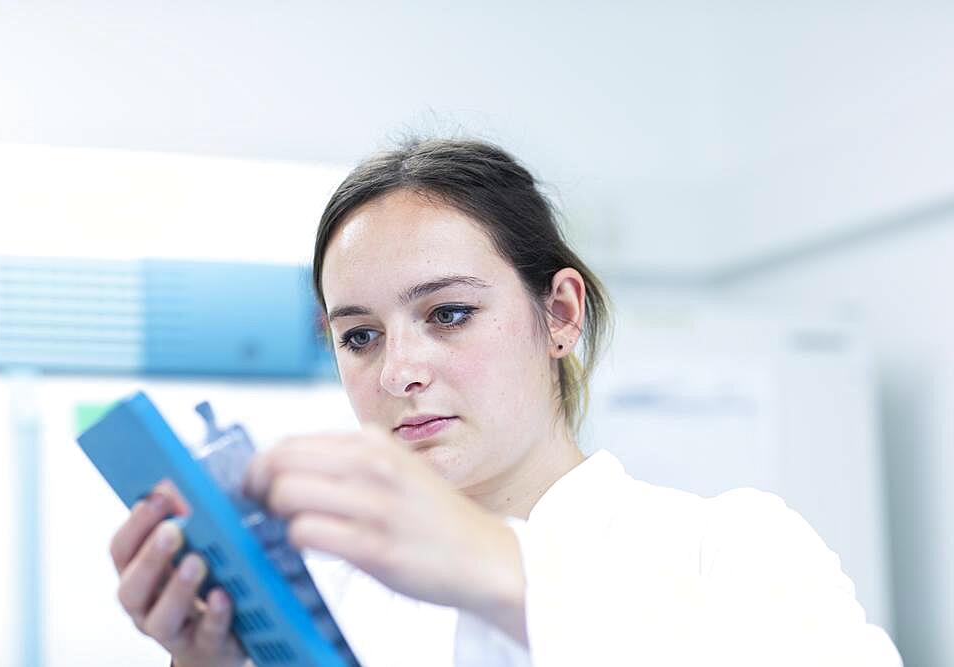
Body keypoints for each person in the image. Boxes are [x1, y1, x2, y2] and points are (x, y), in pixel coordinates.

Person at [108, 139, 903, 666]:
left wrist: (504, 571)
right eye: (360, 336)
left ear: (559, 314)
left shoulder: (733, 547)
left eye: (448, 313)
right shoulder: (331, 588)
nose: (397, 371)